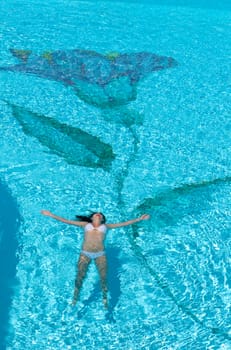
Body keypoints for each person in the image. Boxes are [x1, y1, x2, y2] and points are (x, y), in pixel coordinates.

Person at [41, 210, 150, 308]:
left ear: (102, 219)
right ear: (92, 218)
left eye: (101, 214)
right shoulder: (85, 224)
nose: (98, 213)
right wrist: (51, 215)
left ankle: (105, 297)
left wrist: (140, 219)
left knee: (103, 277)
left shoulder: (106, 226)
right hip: (85, 254)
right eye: (96, 214)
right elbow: (67, 221)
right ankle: (75, 296)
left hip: (100, 254)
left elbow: (123, 224)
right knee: (80, 275)